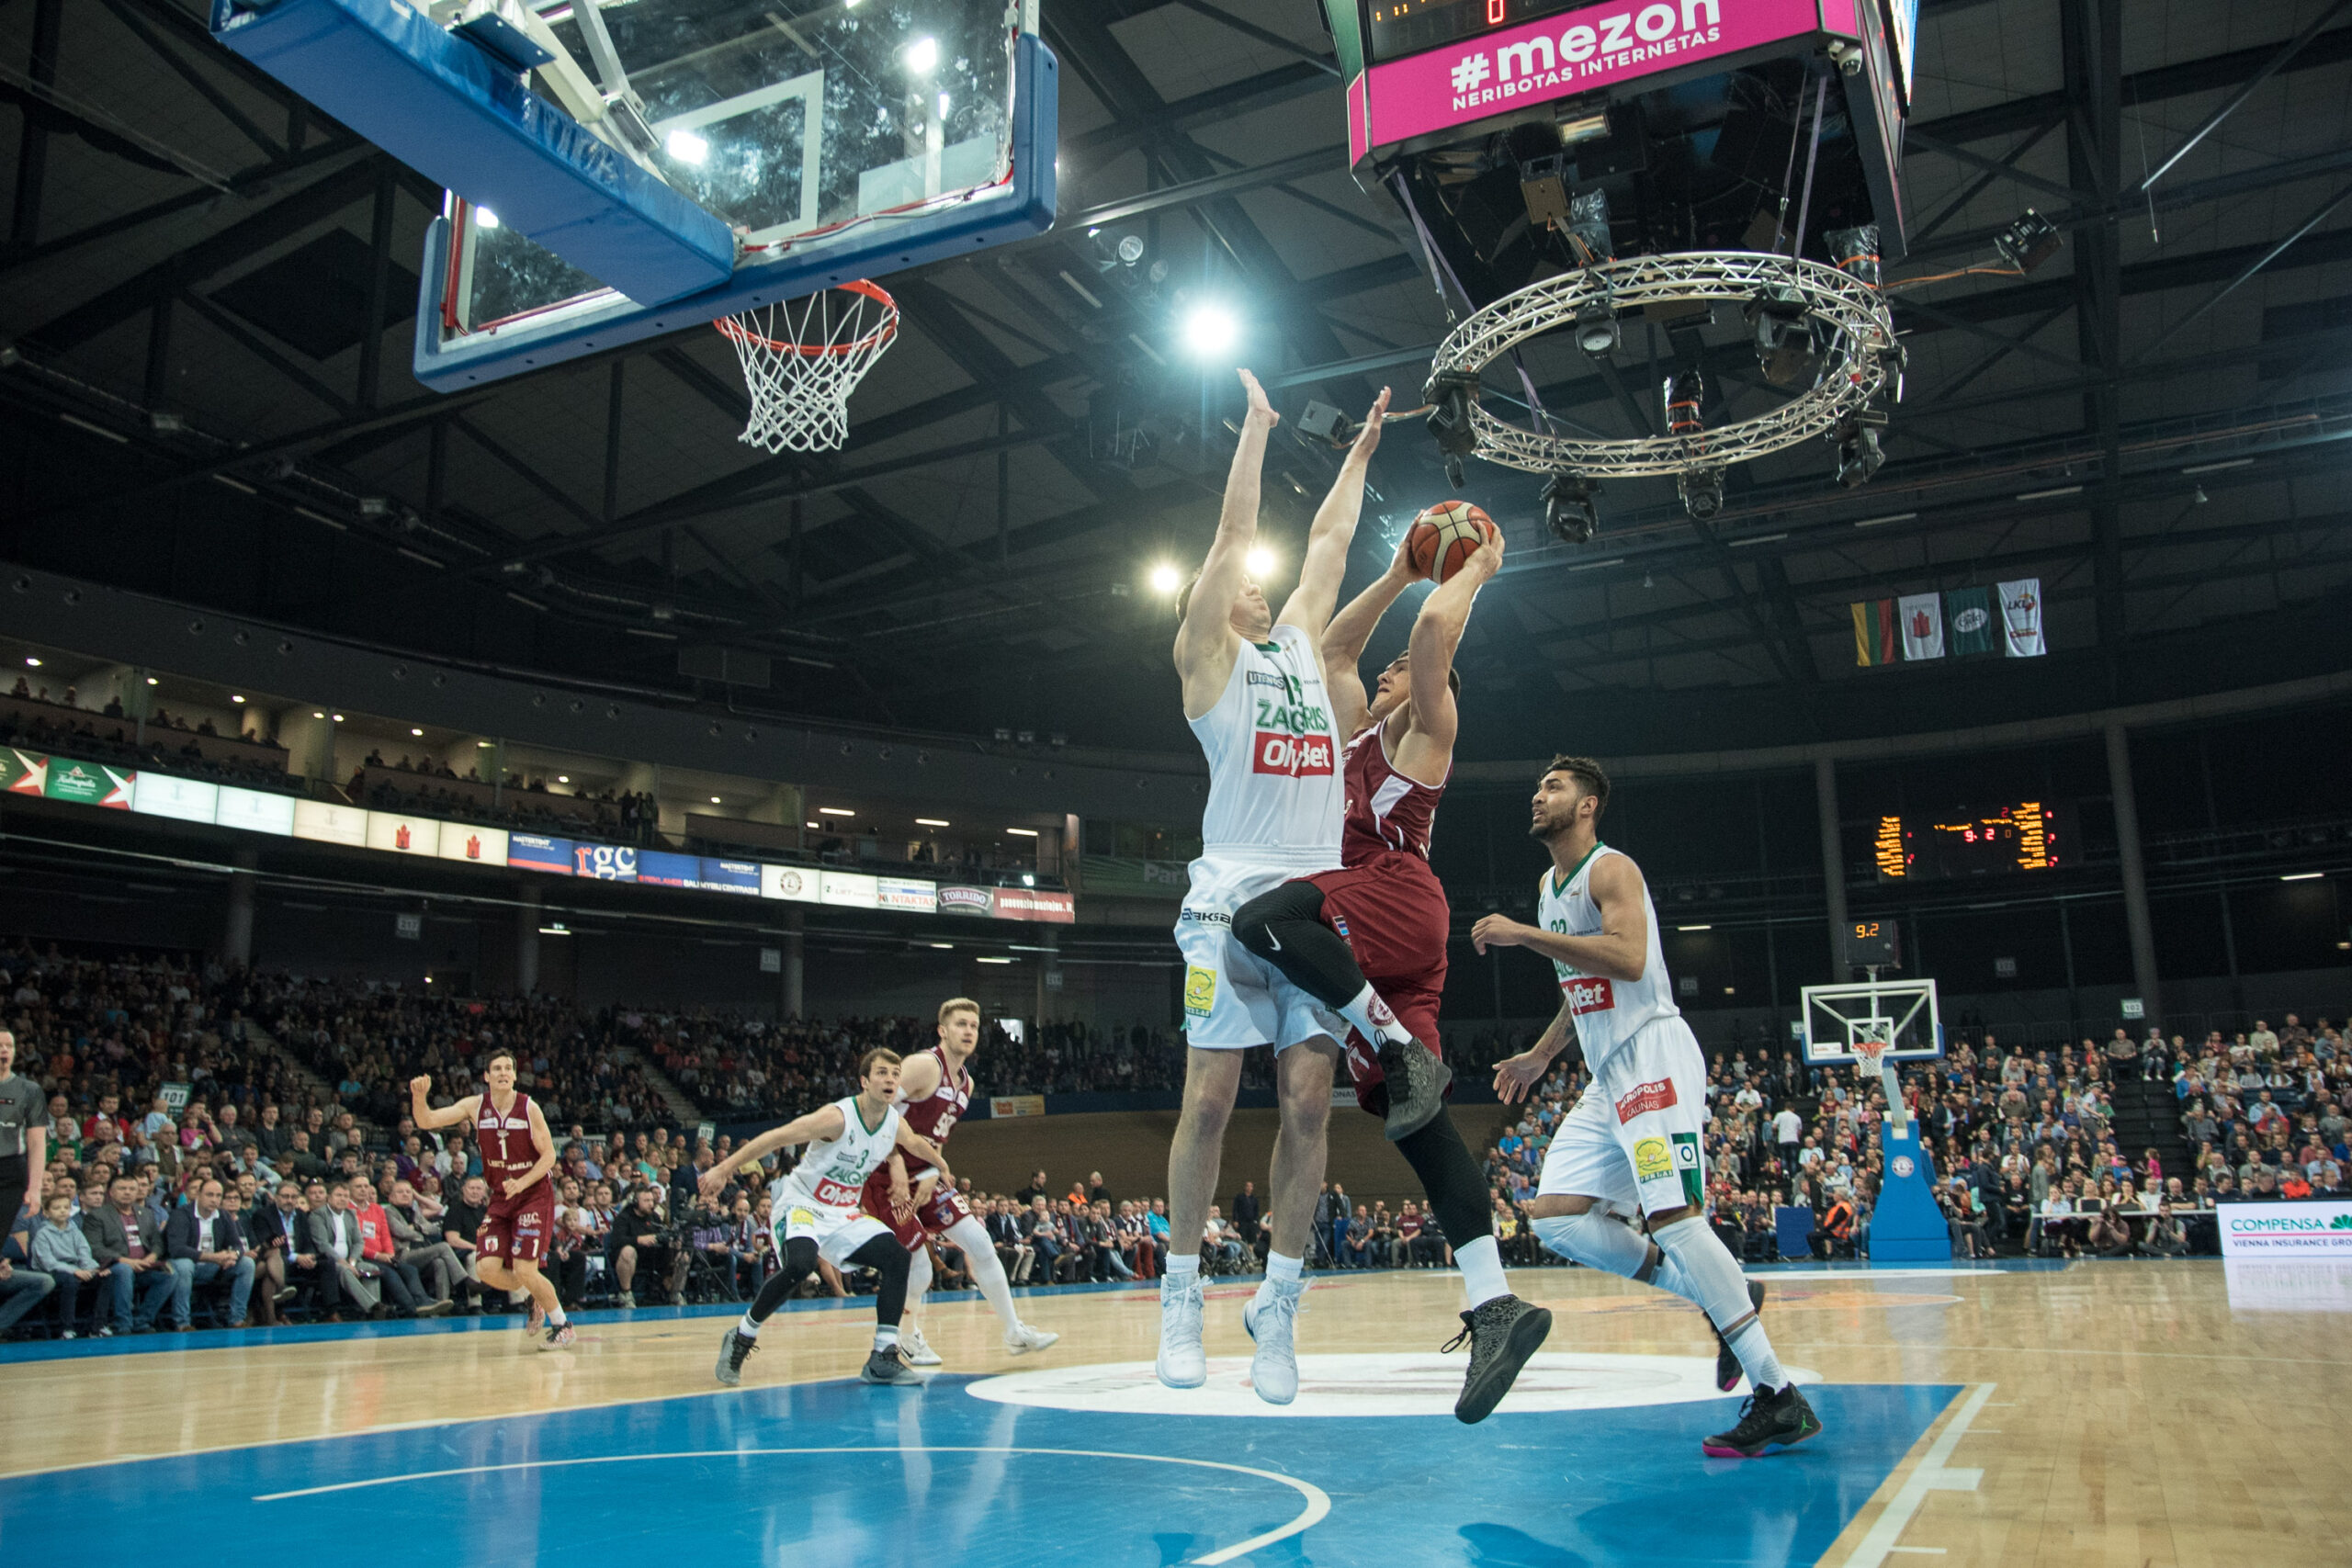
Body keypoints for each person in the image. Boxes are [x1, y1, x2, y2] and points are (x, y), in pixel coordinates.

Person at [1231, 515, 1552, 1423]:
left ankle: (1393, 1045)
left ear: (1431, 686)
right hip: (1389, 953)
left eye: (1401, 671)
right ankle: (1496, 1304)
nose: (1385, 672)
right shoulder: (1350, 743)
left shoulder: (1425, 734)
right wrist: (1398, 570)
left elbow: (1432, 633)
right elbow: (1333, 648)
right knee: (1418, 1122)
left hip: (1390, 897)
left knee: (1262, 918)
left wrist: (1475, 567)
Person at [1158, 368, 1390, 1407]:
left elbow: (1330, 540)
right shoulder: (1208, 664)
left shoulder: (1297, 642)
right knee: (1209, 1101)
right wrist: (1254, 429)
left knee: (1307, 1104)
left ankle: (1279, 1302)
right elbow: (1230, 535)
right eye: (1236, 586)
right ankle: (1180, 1293)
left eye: (1257, 584)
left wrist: (1362, 451)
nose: (1254, 584)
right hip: (1225, 902)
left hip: (1311, 901)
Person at [1478, 756, 1821, 1459]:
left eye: (1554, 786)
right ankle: (1720, 1297)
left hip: (1653, 1055)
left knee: (1675, 1219)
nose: (1538, 794)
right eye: (1538, 785)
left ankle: (1778, 1394)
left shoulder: (1611, 870)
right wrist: (1541, 1054)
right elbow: (1581, 982)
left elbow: (1628, 957)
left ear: (1588, 805)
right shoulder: (1548, 888)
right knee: (1556, 1216)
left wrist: (1524, 935)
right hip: (1608, 1074)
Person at [704, 1047, 949, 1389]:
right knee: (801, 1265)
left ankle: (883, 1356)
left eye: (895, 1074)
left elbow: (915, 1143)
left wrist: (941, 1165)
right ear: (864, 1082)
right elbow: (776, 1137)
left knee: (897, 1257)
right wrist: (724, 1168)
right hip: (802, 1204)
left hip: (842, 1212)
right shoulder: (837, 1118)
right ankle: (742, 1336)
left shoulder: (894, 1122)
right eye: (881, 1073)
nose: (890, 1080)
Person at [861, 997, 1057, 1366]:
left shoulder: (966, 1083)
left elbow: (935, 1138)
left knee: (980, 1243)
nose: (968, 1031)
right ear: (942, 1030)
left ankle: (1014, 1331)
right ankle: (907, 1336)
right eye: (960, 1024)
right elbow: (873, 1106)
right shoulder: (923, 1065)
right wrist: (896, 1161)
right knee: (919, 1268)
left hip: (924, 1173)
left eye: (973, 1026)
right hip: (884, 1174)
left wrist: (932, 1170)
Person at [409, 1051, 574, 1348]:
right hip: (501, 1195)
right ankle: (534, 1296)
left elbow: (549, 1155)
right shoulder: (475, 1106)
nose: (503, 1072)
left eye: (508, 1068)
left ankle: (563, 1325)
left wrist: (522, 1182)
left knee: (524, 1268)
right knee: (486, 1269)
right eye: (497, 1068)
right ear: (486, 1076)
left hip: (533, 1193)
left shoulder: (529, 1107)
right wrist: (419, 1097)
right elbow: (426, 1120)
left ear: (515, 1075)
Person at [164, 1178, 255, 1330]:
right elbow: (177, 1249)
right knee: (185, 1265)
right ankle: (183, 1323)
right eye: (210, 1195)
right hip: (185, 1265)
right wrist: (214, 1257)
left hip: (215, 1266)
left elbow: (237, 1245)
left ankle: (237, 1319)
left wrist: (233, 1255)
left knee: (247, 1263)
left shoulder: (223, 1215)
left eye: (218, 1196)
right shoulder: (181, 1214)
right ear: (198, 1195)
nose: (214, 1200)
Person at [0, 1031, 45, 1242]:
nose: (4, 1050)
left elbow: (37, 1143)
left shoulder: (30, 1090)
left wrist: (35, 1188)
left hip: (10, 1171)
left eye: (9, 1046)